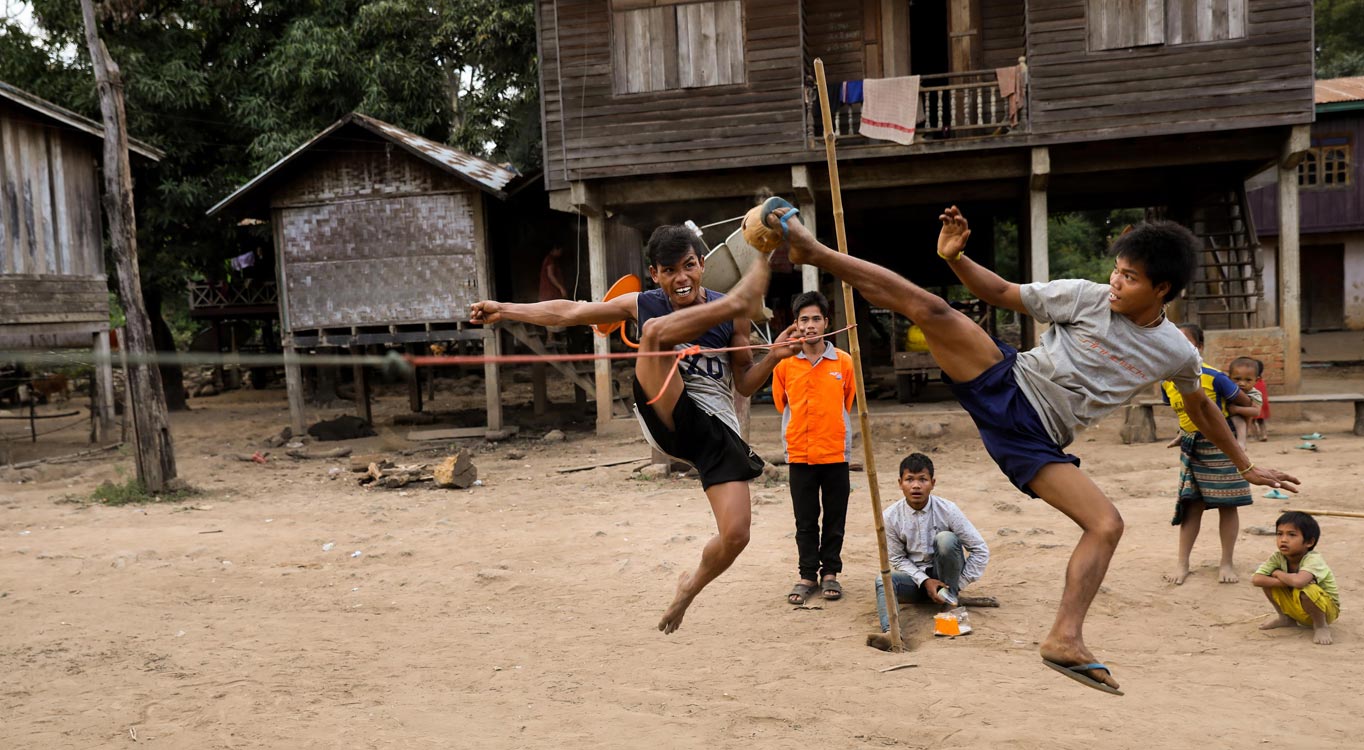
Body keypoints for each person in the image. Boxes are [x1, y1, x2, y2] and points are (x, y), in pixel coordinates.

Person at [780, 204, 1299, 695]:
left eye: (1130, 277)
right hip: (1004, 379)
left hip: (1034, 439)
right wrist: (957, 258)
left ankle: (1064, 638)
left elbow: (1202, 405)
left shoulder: (1176, 351)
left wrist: (1246, 465)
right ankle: (815, 251)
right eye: (1117, 270)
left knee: (1106, 524)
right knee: (930, 308)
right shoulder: (1087, 296)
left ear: (1161, 289)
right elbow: (1002, 291)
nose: (1116, 282)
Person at [471, 224, 797, 634]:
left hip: (714, 427)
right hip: (664, 407)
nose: (682, 278)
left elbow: (745, 384)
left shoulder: (735, 317)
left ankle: (689, 587)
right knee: (655, 331)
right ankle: (715, 310)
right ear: (654, 274)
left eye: (689, 266)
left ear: (701, 264)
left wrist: (775, 357)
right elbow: (571, 312)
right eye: (669, 270)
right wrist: (505, 308)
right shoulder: (643, 304)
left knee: (736, 536)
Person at [771, 291, 856, 605]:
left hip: (835, 452)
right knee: (805, 520)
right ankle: (807, 575)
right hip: (799, 453)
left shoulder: (843, 362)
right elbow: (781, 403)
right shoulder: (785, 364)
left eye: (816, 319)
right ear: (795, 325)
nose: (810, 325)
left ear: (826, 323)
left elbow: (848, 400)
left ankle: (830, 573)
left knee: (835, 517)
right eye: (804, 319)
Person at [1160, 324, 1257, 585]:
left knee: (1228, 504)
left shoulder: (1214, 377)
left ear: (1199, 347)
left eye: (1186, 342)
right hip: (1191, 447)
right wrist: (1183, 432)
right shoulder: (1166, 381)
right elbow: (1184, 412)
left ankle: (1226, 563)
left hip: (1222, 446)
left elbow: (1245, 403)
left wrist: (1236, 433)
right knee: (1192, 506)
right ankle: (1182, 564)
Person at [868, 453, 989, 651]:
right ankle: (892, 633)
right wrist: (925, 581)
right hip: (915, 581)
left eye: (922, 479)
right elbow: (897, 558)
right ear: (900, 483)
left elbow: (980, 549)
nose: (916, 486)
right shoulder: (890, 516)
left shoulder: (948, 510)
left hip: (946, 580)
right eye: (909, 479)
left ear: (932, 483)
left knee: (946, 539)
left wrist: (956, 586)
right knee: (883, 580)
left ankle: (949, 604)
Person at [1252, 511, 1338, 645]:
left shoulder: (1313, 559)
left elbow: (1299, 582)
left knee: (1307, 589)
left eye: (1291, 535)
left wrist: (1278, 573)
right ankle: (1285, 618)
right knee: (1267, 582)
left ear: (1309, 542)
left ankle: (1320, 626)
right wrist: (1288, 581)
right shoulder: (1277, 557)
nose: (1283, 539)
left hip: (1326, 610)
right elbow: (1257, 579)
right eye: (1279, 534)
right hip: (1297, 607)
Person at [1226, 356, 1265, 449]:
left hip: (1239, 419)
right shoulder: (1227, 390)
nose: (1242, 383)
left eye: (1248, 380)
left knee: (1240, 422)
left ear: (1256, 380)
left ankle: (1241, 444)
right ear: (1229, 377)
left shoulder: (1254, 394)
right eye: (1237, 379)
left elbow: (1256, 411)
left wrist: (1236, 409)